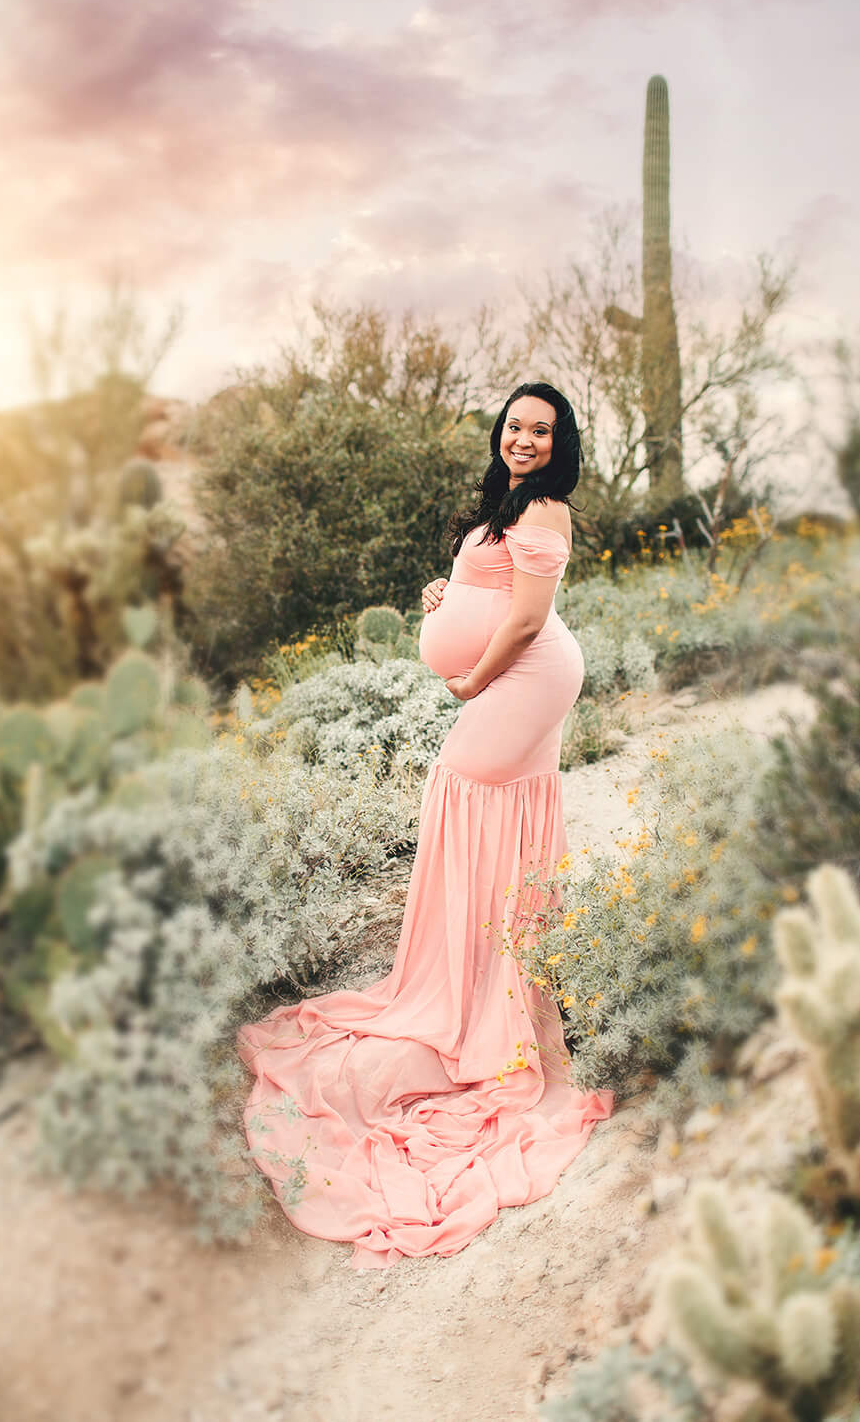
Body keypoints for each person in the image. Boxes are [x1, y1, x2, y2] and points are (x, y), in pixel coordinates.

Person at [238, 382, 613, 1268]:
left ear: (560, 445)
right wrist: (450, 596)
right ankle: (481, 973)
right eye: (516, 425)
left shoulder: (549, 509)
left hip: (524, 676)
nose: (524, 438)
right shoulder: (507, 504)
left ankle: (485, 994)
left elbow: (525, 619)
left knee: (464, 783)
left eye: (541, 430)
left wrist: (474, 674)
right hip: (510, 673)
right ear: (502, 432)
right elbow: (496, 588)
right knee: (474, 798)